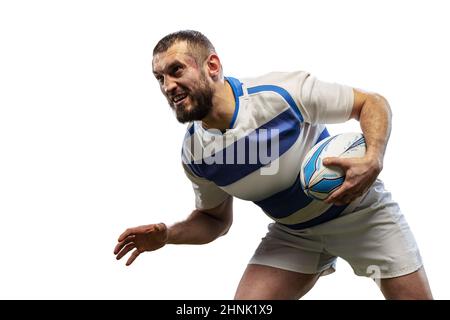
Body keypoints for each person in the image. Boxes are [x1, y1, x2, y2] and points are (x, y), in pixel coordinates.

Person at [113, 30, 433, 300]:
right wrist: (167, 234)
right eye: (160, 78)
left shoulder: (281, 93)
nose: (168, 86)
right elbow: (214, 220)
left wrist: (373, 157)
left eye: (176, 70)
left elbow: (371, 103)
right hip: (294, 235)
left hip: (362, 214)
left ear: (212, 65)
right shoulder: (196, 154)